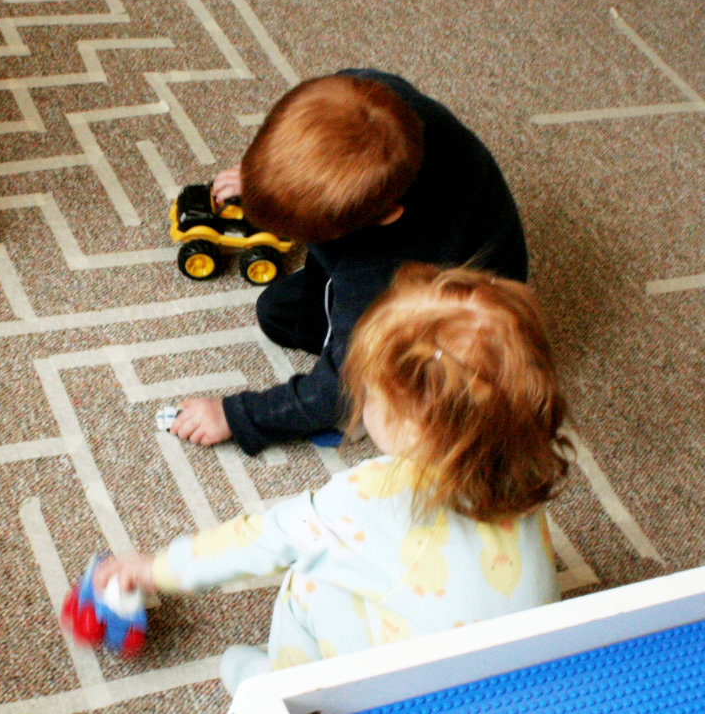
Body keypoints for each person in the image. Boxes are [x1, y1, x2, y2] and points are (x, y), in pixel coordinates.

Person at [97, 264, 571, 694]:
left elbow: (257, 543)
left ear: (408, 421)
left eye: (369, 389)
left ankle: (280, 684)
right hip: (513, 672)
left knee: (310, 579)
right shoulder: (522, 460)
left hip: (410, 690)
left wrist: (150, 569)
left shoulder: (370, 498)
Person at [169, 69, 529, 456]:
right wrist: (266, 177)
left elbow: (342, 384)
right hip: (462, 239)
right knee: (279, 313)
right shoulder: (368, 96)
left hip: (462, 319)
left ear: (385, 217)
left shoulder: (381, 268)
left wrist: (236, 416)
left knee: (354, 379)